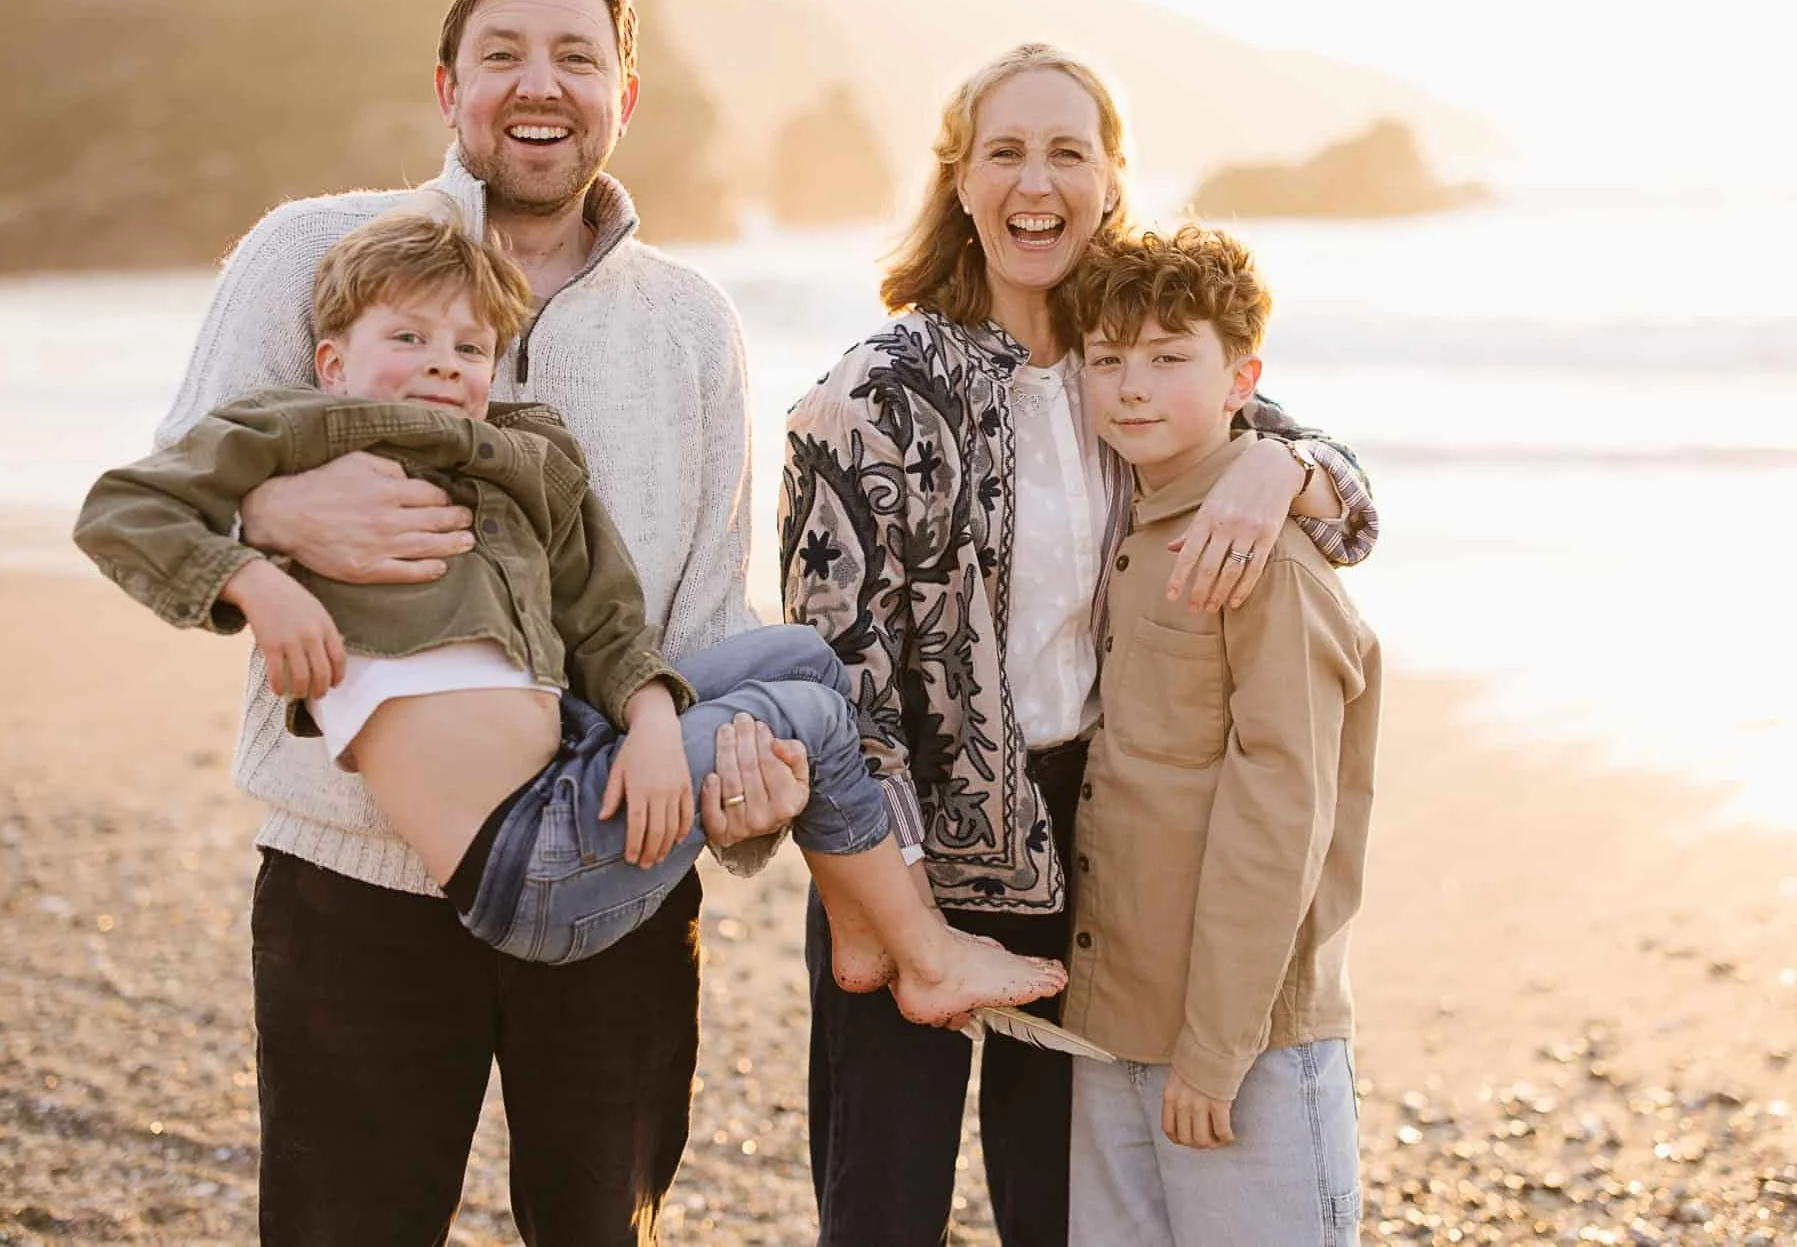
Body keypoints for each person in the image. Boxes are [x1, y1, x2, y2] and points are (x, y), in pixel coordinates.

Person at [148, 0, 782, 1245]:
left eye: (574, 57)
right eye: (502, 55)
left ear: (623, 96)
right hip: (355, 880)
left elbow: (711, 614)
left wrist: (741, 798)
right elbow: (173, 495)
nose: (538, 85)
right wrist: (273, 513)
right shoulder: (311, 252)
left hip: (620, 873)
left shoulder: (691, 322)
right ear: (449, 89)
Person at [76, 205, 1067, 1022]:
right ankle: (926, 956)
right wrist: (257, 578)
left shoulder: (525, 456)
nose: (440, 363)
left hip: (582, 760)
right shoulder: (297, 431)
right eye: (407, 337)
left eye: (469, 345)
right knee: (805, 715)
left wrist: (650, 720)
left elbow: (603, 619)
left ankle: (859, 923)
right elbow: (122, 511)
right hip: (527, 863)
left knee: (805, 658)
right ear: (332, 363)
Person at [779, 43, 1381, 1245]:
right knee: (881, 1209)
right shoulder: (874, 391)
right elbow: (833, 683)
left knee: (1057, 1214)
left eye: (1067, 152)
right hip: (906, 843)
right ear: (959, 181)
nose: (1033, 181)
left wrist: (1286, 464)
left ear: (1110, 180)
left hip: (1086, 848)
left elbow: (1349, 513)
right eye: (1002, 152)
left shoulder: (1128, 367)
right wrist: (883, 907)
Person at [1061, 224, 1378, 1245]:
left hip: (1242, 1049)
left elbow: (1281, 816)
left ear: (1243, 379)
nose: (1131, 387)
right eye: (1106, 359)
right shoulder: (1125, 523)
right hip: (1112, 1027)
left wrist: (1213, 1048)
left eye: (1167, 358)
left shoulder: (1264, 558)